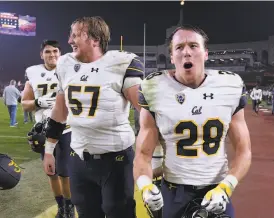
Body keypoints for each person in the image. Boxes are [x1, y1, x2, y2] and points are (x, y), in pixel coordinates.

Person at [134, 25, 252, 218]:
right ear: (171, 57)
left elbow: (244, 150)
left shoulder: (229, 86)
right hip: (174, 190)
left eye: (193, 46)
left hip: (216, 188)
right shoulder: (154, 88)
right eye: (179, 47)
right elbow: (143, 154)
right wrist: (144, 185)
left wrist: (227, 187)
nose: (186, 52)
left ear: (205, 53)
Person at [43, 16, 144, 218]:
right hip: (78, 157)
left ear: (95, 39)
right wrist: (49, 149)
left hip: (116, 159)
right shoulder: (65, 63)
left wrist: (149, 154)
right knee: (87, 213)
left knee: (119, 212)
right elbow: (60, 111)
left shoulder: (122, 63)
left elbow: (144, 110)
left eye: (75, 35)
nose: (70, 40)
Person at [21, 40, 74, 218]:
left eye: (55, 51)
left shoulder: (69, 69)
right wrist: (37, 102)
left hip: (66, 128)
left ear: (60, 53)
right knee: (51, 172)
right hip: (43, 130)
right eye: (48, 52)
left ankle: (69, 207)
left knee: (65, 172)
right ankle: (61, 206)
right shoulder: (33, 73)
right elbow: (24, 104)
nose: (52, 55)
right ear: (41, 54)